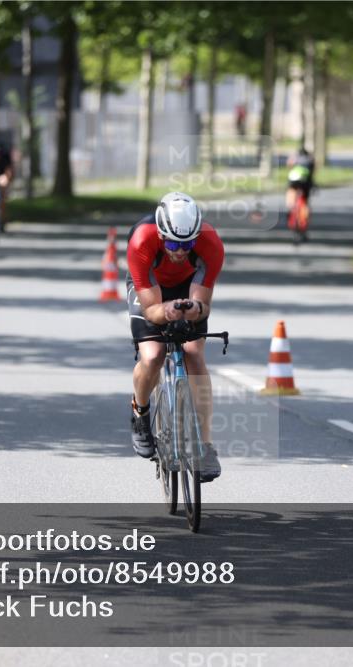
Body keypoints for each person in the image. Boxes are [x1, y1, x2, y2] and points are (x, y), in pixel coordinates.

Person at [126, 192, 225, 482]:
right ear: (160, 233)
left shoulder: (211, 244)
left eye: (186, 244)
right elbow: (152, 310)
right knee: (154, 354)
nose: (179, 251)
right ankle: (140, 412)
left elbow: (203, 304)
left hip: (187, 284)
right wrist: (167, 310)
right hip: (150, 286)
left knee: (194, 353)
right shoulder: (141, 241)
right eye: (171, 243)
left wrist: (193, 309)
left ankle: (205, 445)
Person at [286, 147, 315, 240]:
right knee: (305, 202)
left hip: (293, 181)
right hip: (305, 182)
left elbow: (289, 166)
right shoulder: (310, 159)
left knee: (291, 196)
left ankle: (290, 209)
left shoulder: (294, 158)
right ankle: (304, 219)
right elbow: (312, 174)